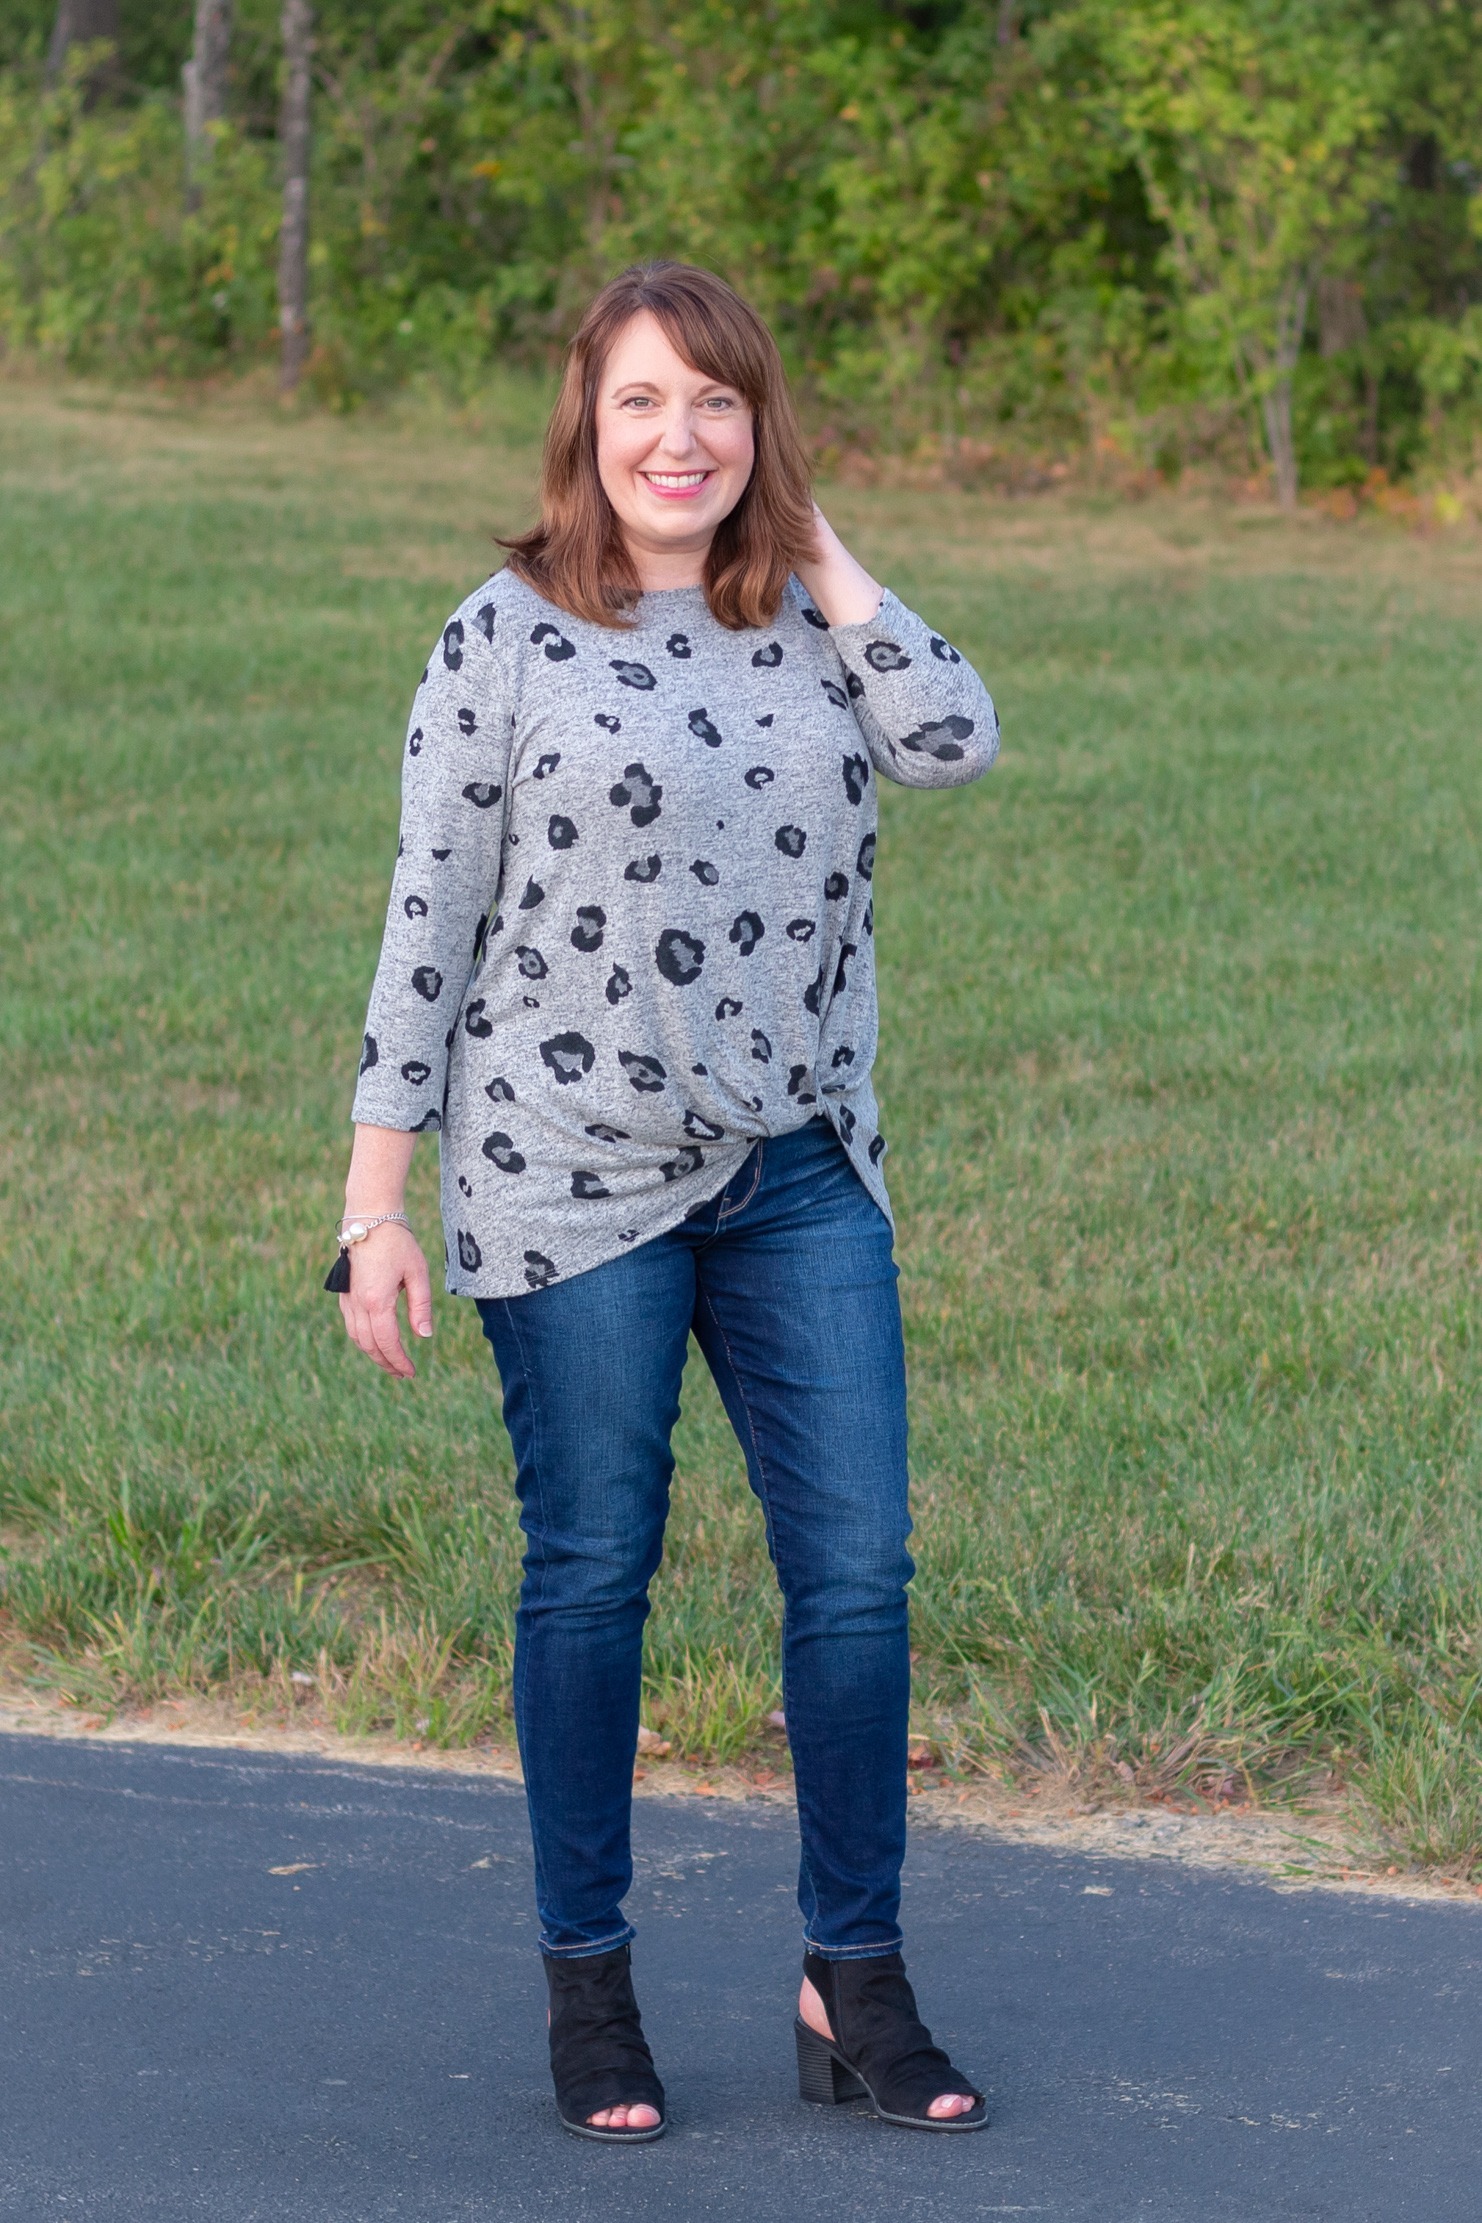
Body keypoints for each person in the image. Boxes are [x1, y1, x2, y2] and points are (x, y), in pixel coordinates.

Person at [333, 261, 999, 2142]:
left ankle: (847, 1982)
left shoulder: (811, 622)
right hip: (566, 1187)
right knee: (591, 1581)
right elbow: (427, 929)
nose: (677, 438)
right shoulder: (503, 637)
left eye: (716, 403)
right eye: (641, 402)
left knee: (856, 1577)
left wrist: (823, 546)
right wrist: (376, 1204)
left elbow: (954, 740)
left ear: (759, 427)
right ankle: (590, 1994)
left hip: (796, 1180)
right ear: (584, 426)